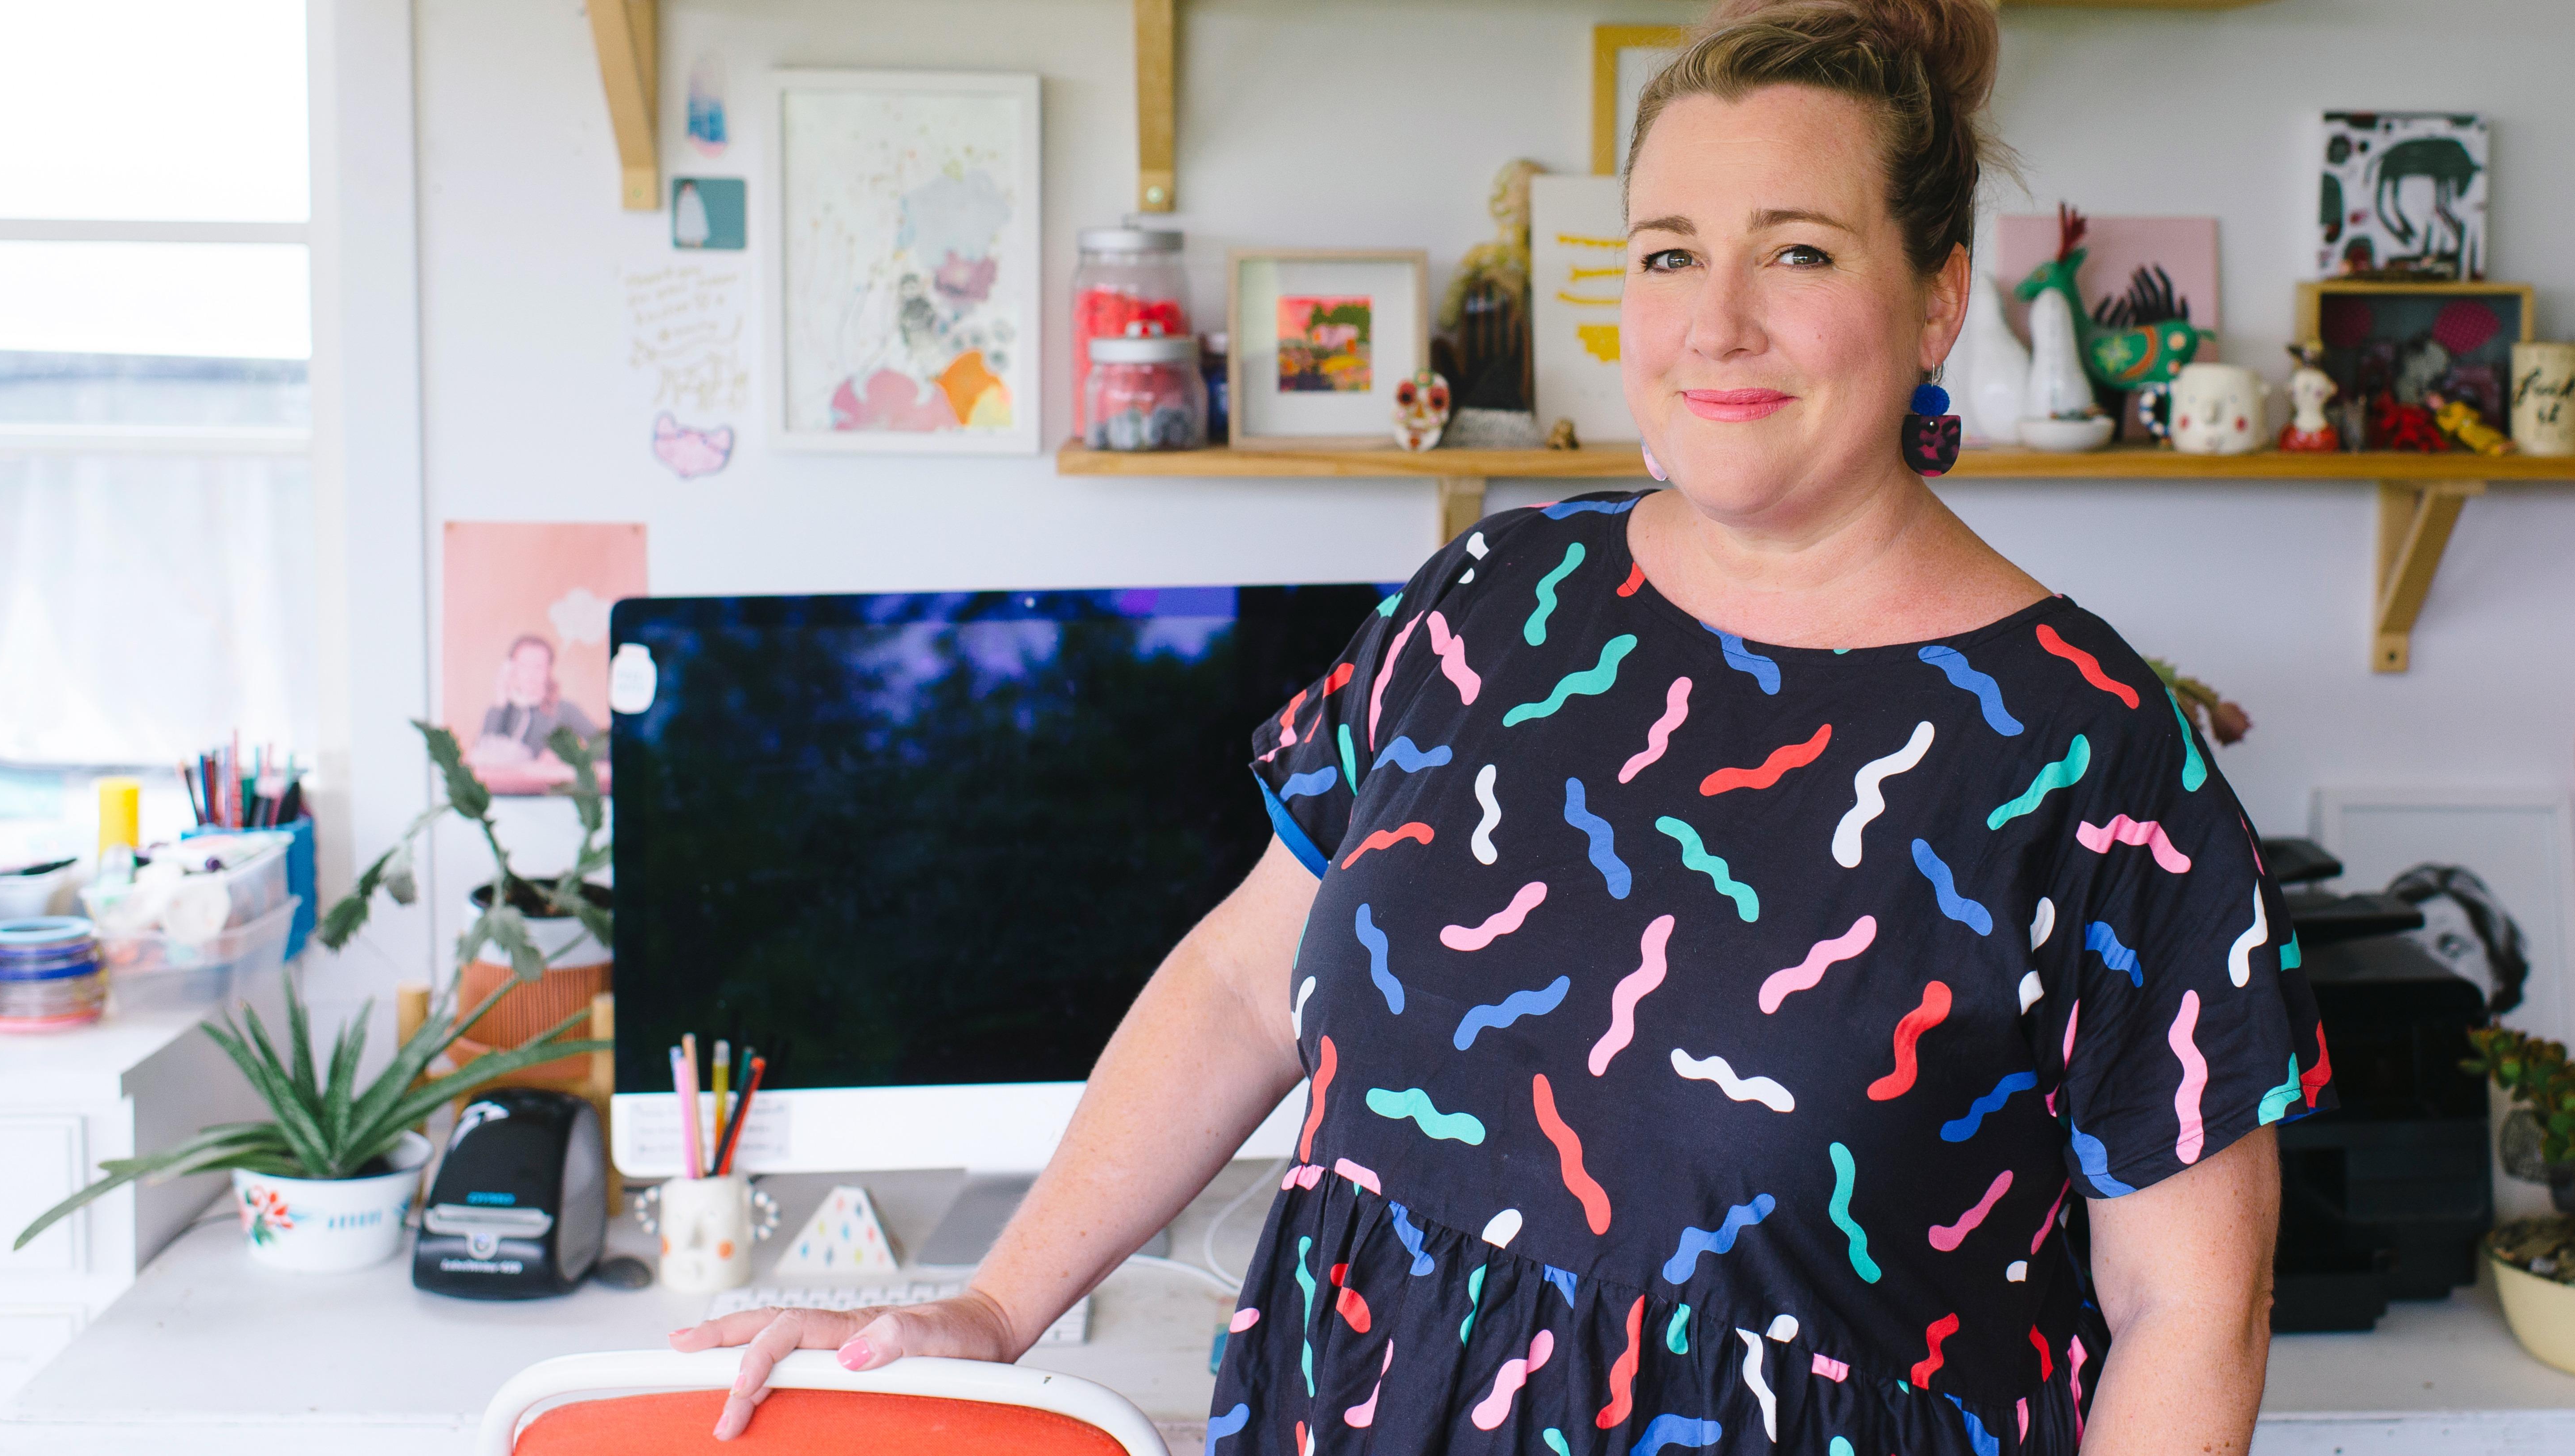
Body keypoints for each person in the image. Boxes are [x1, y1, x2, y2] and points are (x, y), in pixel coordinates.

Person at [674, 1, 2326, 1449]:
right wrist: (992, 1304)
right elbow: (1249, 976)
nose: (1714, 320)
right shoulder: (1492, 594)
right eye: (1668, 251)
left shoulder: (2091, 753)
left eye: (1798, 250)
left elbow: (2192, 1309)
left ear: (1936, 296)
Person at [472, 633, 597, 769]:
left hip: (546, 788)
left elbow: (606, 748)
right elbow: (482, 757)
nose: (531, 674)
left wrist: (570, 755)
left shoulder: (565, 710)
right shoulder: (500, 710)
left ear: (549, 670)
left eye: (538, 666)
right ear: (511, 668)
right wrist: (501, 698)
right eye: (524, 665)